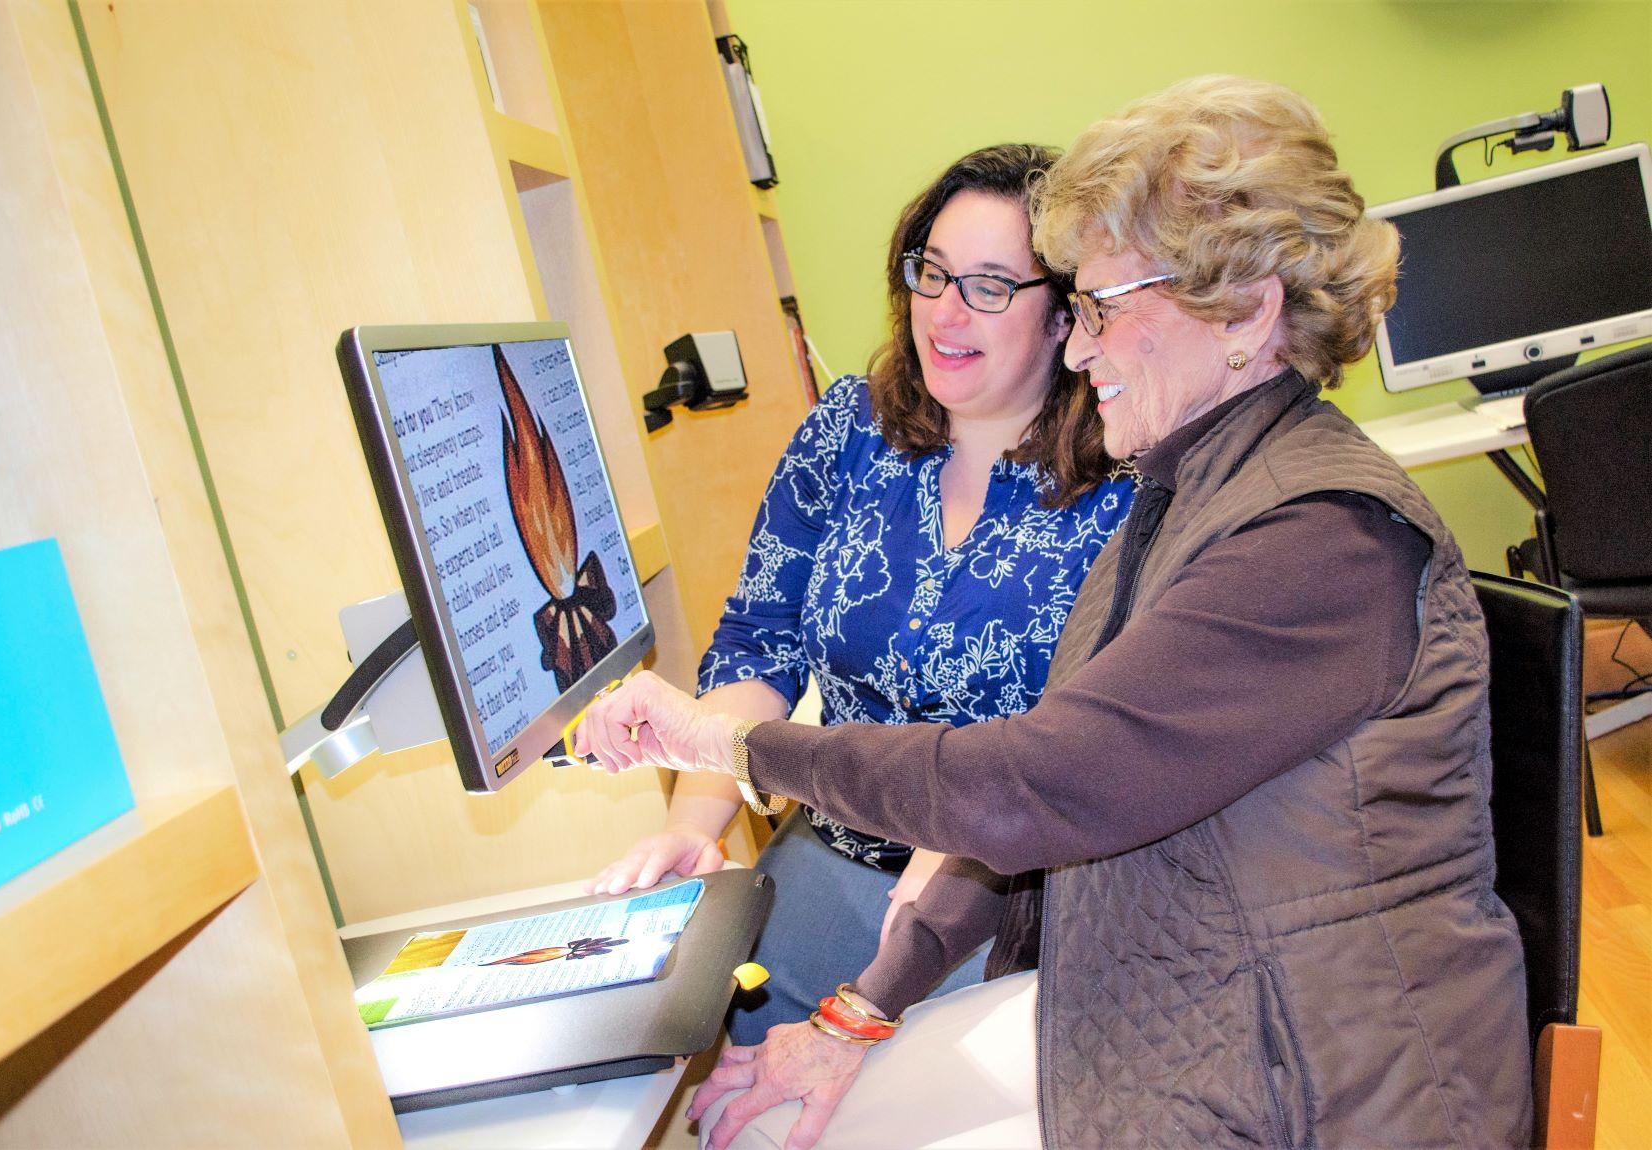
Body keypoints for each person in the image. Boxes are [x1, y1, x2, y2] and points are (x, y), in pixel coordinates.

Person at [575, 76, 1533, 1150]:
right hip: (1192, 1001)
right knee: (763, 1119)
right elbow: (1047, 797)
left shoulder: (1316, 536)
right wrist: (861, 1009)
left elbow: (1028, 791)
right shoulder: (1192, 487)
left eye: (1105, 311)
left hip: (1322, 1083)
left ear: (1248, 313)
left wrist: (732, 739)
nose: (1080, 352)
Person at [588, 144, 1134, 1047]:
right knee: (721, 1089)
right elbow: (758, 643)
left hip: (1008, 897)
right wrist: (696, 824)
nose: (946, 312)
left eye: (992, 286)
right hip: (829, 856)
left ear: (1064, 316)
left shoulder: (1125, 474)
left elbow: (1092, 739)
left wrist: (956, 862)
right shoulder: (850, 425)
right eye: (932, 272)